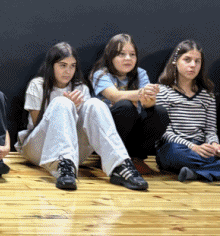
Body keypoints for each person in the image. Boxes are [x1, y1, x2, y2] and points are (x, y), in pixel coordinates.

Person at [15, 42, 149, 191]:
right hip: (39, 148)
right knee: (62, 103)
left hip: (73, 153)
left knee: (95, 104)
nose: (68, 71)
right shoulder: (38, 85)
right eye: (63, 65)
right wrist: (67, 107)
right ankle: (63, 167)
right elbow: (37, 125)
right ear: (51, 66)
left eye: (72, 66)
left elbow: (86, 128)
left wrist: (77, 110)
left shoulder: (81, 88)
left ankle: (120, 165)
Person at [90, 34, 169, 173]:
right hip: (107, 131)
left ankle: (136, 158)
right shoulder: (101, 74)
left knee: (160, 112)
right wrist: (141, 93)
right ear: (110, 56)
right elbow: (114, 96)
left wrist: (150, 97)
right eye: (121, 54)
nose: (128, 58)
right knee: (125, 107)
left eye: (132, 54)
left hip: (133, 129)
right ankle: (108, 157)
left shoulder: (140, 73)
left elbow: (147, 105)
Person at [155, 40, 220, 181]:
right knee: (172, 153)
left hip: (201, 148)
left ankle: (195, 174)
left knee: (211, 153)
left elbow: (210, 130)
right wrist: (192, 147)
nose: (193, 65)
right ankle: (212, 169)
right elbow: (165, 133)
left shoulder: (207, 96)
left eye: (197, 61)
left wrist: (214, 145)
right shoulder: (162, 92)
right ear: (175, 61)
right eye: (187, 60)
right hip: (176, 148)